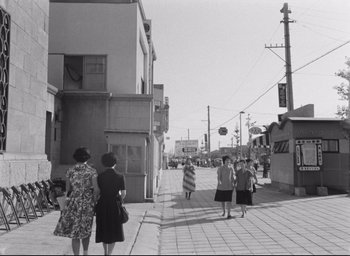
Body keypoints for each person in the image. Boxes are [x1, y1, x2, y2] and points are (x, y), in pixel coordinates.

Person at [54, 147, 99, 256]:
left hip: (73, 202)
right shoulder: (92, 171)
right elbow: (96, 189)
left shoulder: (70, 170)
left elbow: (68, 189)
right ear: (87, 157)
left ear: (75, 157)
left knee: (74, 231)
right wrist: (94, 199)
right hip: (87, 202)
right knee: (86, 229)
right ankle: (85, 253)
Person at [95, 152, 126, 255]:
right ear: (115, 163)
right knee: (113, 229)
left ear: (104, 163)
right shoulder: (120, 176)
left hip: (102, 204)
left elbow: (98, 192)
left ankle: (105, 252)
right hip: (114, 204)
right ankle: (109, 254)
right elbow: (123, 194)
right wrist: (119, 199)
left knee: (104, 228)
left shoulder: (100, 176)